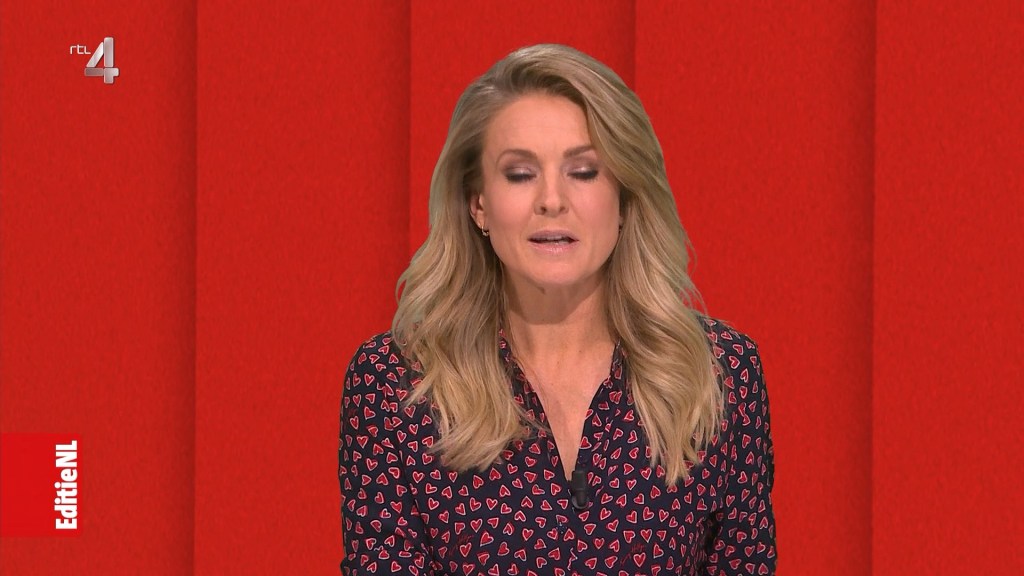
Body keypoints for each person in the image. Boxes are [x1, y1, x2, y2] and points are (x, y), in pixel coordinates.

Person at [338, 44, 776, 575]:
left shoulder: (718, 373)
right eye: (520, 173)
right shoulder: (395, 384)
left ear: (624, 199)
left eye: (584, 171)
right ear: (478, 202)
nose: (551, 199)